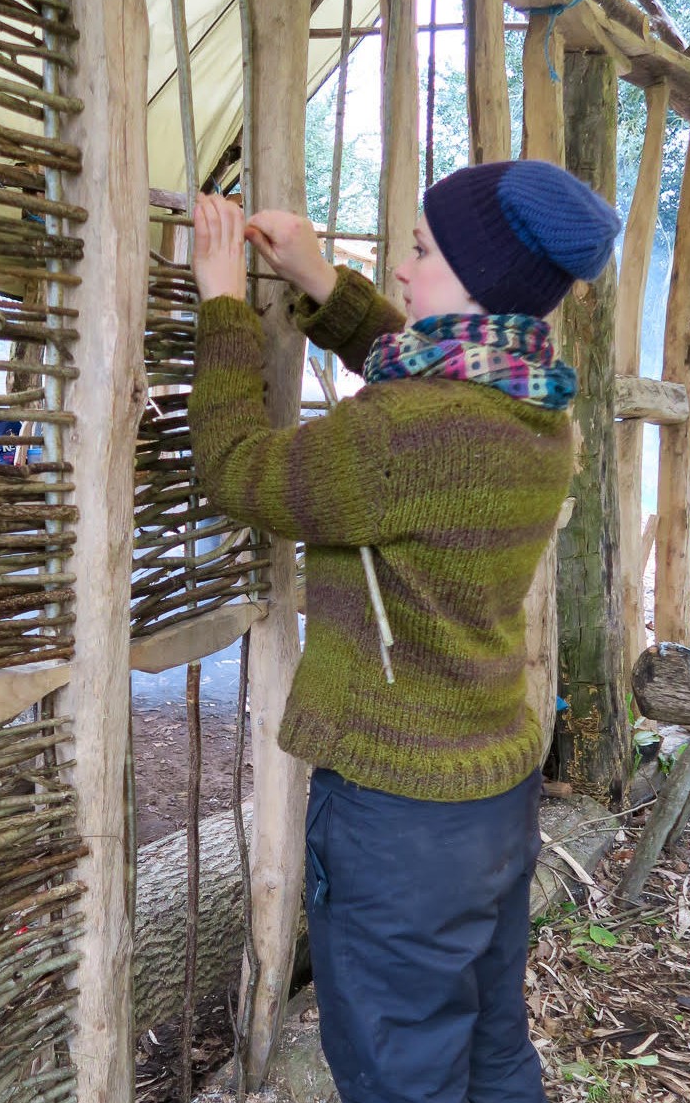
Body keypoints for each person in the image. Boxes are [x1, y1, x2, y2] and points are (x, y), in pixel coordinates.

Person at [188, 159, 620, 1103]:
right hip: (490, 796)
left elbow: (237, 468)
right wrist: (319, 283)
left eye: (422, 250)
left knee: (398, 1069)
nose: (403, 262)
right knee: (492, 1044)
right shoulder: (530, 397)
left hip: (398, 816)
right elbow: (416, 356)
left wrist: (222, 307)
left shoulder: (407, 435)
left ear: (475, 279)